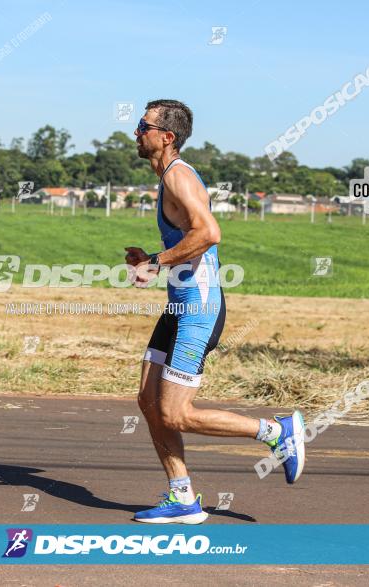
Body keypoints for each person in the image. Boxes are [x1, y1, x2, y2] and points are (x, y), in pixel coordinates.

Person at [124, 99, 305, 524]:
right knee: (149, 401)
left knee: (176, 413)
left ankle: (278, 433)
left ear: (166, 136)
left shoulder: (179, 177)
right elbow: (191, 238)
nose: (136, 133)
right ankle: (182, 497)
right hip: (178, 306)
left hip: (199, 310)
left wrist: (157, 263)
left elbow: (209, 233)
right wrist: (152, 255)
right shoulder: (168, 177)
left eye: (142, 126)